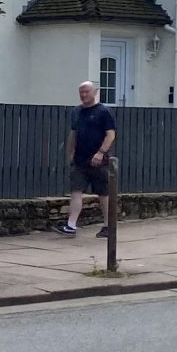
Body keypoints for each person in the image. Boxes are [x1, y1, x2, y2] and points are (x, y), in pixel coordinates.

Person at [53, 80, 117, 237]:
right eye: (81, 92)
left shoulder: (103, 112)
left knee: (103, 193)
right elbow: (73, 133)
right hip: (80, 159)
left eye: (86, 91)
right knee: (76, 191)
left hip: (98, 160)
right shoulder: (76, 112)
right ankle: (71, 226)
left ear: (95, 92)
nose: (83, 95)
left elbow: (111, 134)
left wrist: (101, 152)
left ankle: (108, 226)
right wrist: (70, 153)